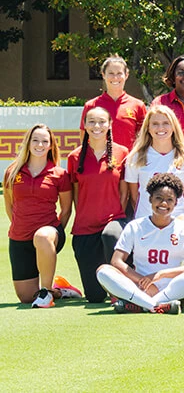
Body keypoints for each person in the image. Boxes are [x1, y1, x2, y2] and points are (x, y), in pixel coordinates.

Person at [95, 173, 184, 314]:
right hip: (140, 286)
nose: (163, 203)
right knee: (103, 270)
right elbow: (116, 261)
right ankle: (158, 305)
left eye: (169, 199)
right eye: (158, 198)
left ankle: (143, 305)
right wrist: (142, 279)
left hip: (173, 287)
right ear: (150, 199)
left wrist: (160, 274)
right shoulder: (135, 226)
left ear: (176, 203)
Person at [5, 124, 81, 307]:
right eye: (35, 140)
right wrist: (22, 226)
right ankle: (59, 290)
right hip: (19, 237)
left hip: (49, 233)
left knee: (42, 236)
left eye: (44, 141)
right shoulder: (13, 171)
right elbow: (10, 205)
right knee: (26, 297)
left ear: (50, 146)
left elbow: (66, 209)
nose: (40, 144)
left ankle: (46, 293)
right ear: (28, 143)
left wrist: (54, 234)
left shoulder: (59, 174)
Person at [67, 107, 130, 304]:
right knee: (94, 297)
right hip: (84, 228)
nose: (97, 126)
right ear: (84, 125)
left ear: (110, 125)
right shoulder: (74, 157)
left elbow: (124, 192)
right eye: (92, 121)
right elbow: (77, 194)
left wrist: (113, 214)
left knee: (110, 235)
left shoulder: (122, 153)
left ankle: (120, 293)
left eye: (102, 121)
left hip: (113, 222)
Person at [124, 106, 184, 219]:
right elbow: (134, 197)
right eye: (155, 124)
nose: (160, 128)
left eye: (166, 123)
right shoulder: (136, 157)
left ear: (173, 127)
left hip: (177, 220)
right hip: (145, 219)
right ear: (148, 128)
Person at [81, 55, 147, 148]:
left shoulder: (138, 105)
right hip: (101, 161)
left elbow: (144, 138)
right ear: (103, 75)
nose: (115, 77)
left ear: (126, 75)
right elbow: (84, 139)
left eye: (119, 73)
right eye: (111, 73)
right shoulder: (91, 105)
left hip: (130, 160)